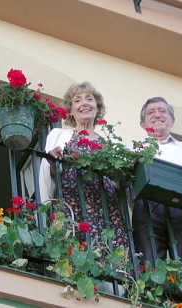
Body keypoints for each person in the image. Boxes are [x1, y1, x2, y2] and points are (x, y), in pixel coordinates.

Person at [39, 81, 128, 249]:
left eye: (89, 99)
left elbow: (119, 184)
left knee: (109, 258)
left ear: (97, 107)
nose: (84, 103)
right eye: (77, 100)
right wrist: (52, 161)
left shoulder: (110, 145)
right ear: (71, 111)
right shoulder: (59, 135)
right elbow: (51, 173)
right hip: (71, 204)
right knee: (73, 255)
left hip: (106, 210)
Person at [132, 97, 182, 281]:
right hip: (147, 205)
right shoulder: (134, 149)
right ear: (142, 123)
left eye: (162, 111)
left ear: (172, 119)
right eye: (151, 112)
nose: (157, 115)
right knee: (149, 261)